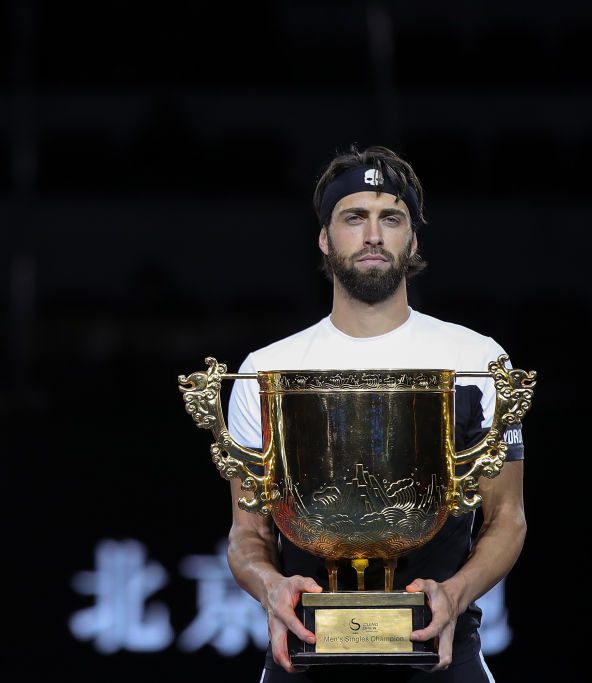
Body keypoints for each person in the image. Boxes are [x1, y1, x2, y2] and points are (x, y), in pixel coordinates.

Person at [225, 145, 525, 682]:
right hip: (305, 649)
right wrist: (272, 587)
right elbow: (248, 533)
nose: (372, 236)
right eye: (353, 217)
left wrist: (454, 595)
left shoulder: (476, 360)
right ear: (324, 237)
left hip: (441, 651)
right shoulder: (267, 370)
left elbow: (508, 518)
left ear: (412, 238)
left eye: (391, 218)